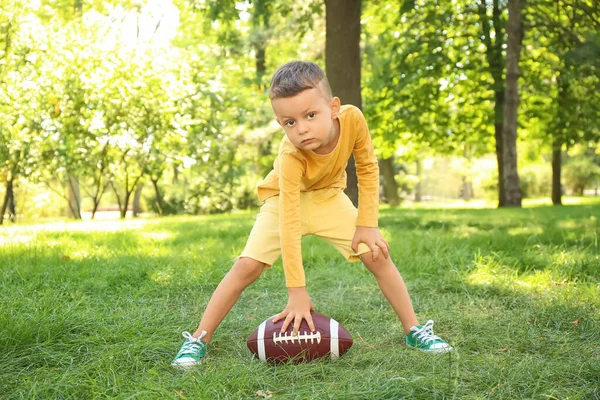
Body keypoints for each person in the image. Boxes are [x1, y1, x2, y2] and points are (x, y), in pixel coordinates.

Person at [172, 61, 452, 368]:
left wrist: (367, 224)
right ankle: (198, 338)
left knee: (376, 254)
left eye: (310, 115)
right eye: (289, 122)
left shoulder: (353, 119)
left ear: (333, 107)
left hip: (328, 198)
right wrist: (297, 292)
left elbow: (368, 167)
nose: (301, 128)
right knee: (247, 267)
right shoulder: (291, 157)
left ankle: (414, 330)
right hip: (283, 202)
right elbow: (289, 223)